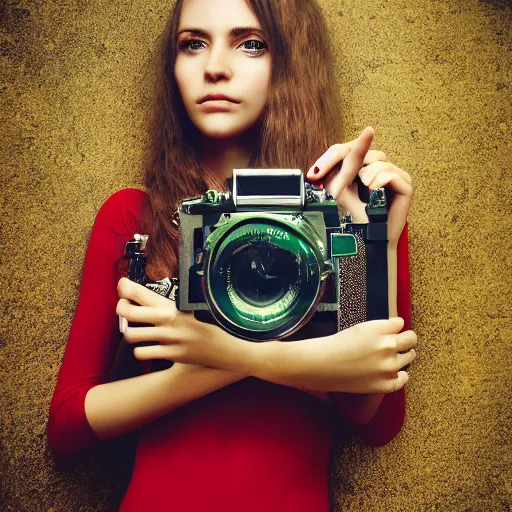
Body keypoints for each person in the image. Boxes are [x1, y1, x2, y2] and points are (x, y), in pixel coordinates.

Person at [47, 0, 417, 510]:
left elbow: (375, 418)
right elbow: (67, 426)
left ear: (290, 61)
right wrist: (304, 360)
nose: (215, 66)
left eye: (251, 43)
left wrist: (376, 244)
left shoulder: (347, 211)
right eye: (193, 43)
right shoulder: (134, 215)